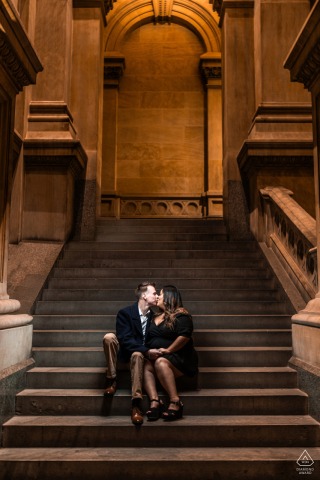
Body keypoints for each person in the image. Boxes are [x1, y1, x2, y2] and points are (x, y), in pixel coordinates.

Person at [102, 281, 162, 425]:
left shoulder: (154, 318)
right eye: (154, 293)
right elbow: (125, 339)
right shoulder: (125, 313)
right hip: (125, 353)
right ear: (144, 296)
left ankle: (136, 404)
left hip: (139, 358)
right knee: (109, 337)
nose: (157, 296)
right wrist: (147, 350)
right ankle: (111, 379)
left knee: (137, 354)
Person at [143, 285, 198, 421]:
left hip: (178, 359)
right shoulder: (153, 316)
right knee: (144, 363)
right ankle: (155, 401)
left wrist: (168, 350)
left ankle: (175, 402)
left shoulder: (181, 315)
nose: (156, 297)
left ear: (169, 297)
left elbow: (184, 336)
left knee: (161, 363)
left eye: (159, 295)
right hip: (157, 357)